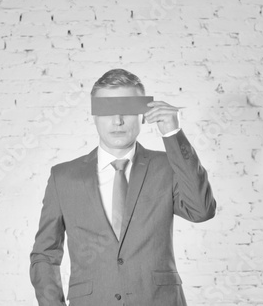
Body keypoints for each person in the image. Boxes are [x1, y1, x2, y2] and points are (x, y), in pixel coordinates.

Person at [29, 69, 216, 306]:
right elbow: (44, 255)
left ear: (144, 114)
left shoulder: (167, 167)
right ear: (94, 115)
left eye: (128, 109)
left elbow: (202, 210)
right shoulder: (63, 177)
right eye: (107, 110)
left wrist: (173, 133)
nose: (117, 120)